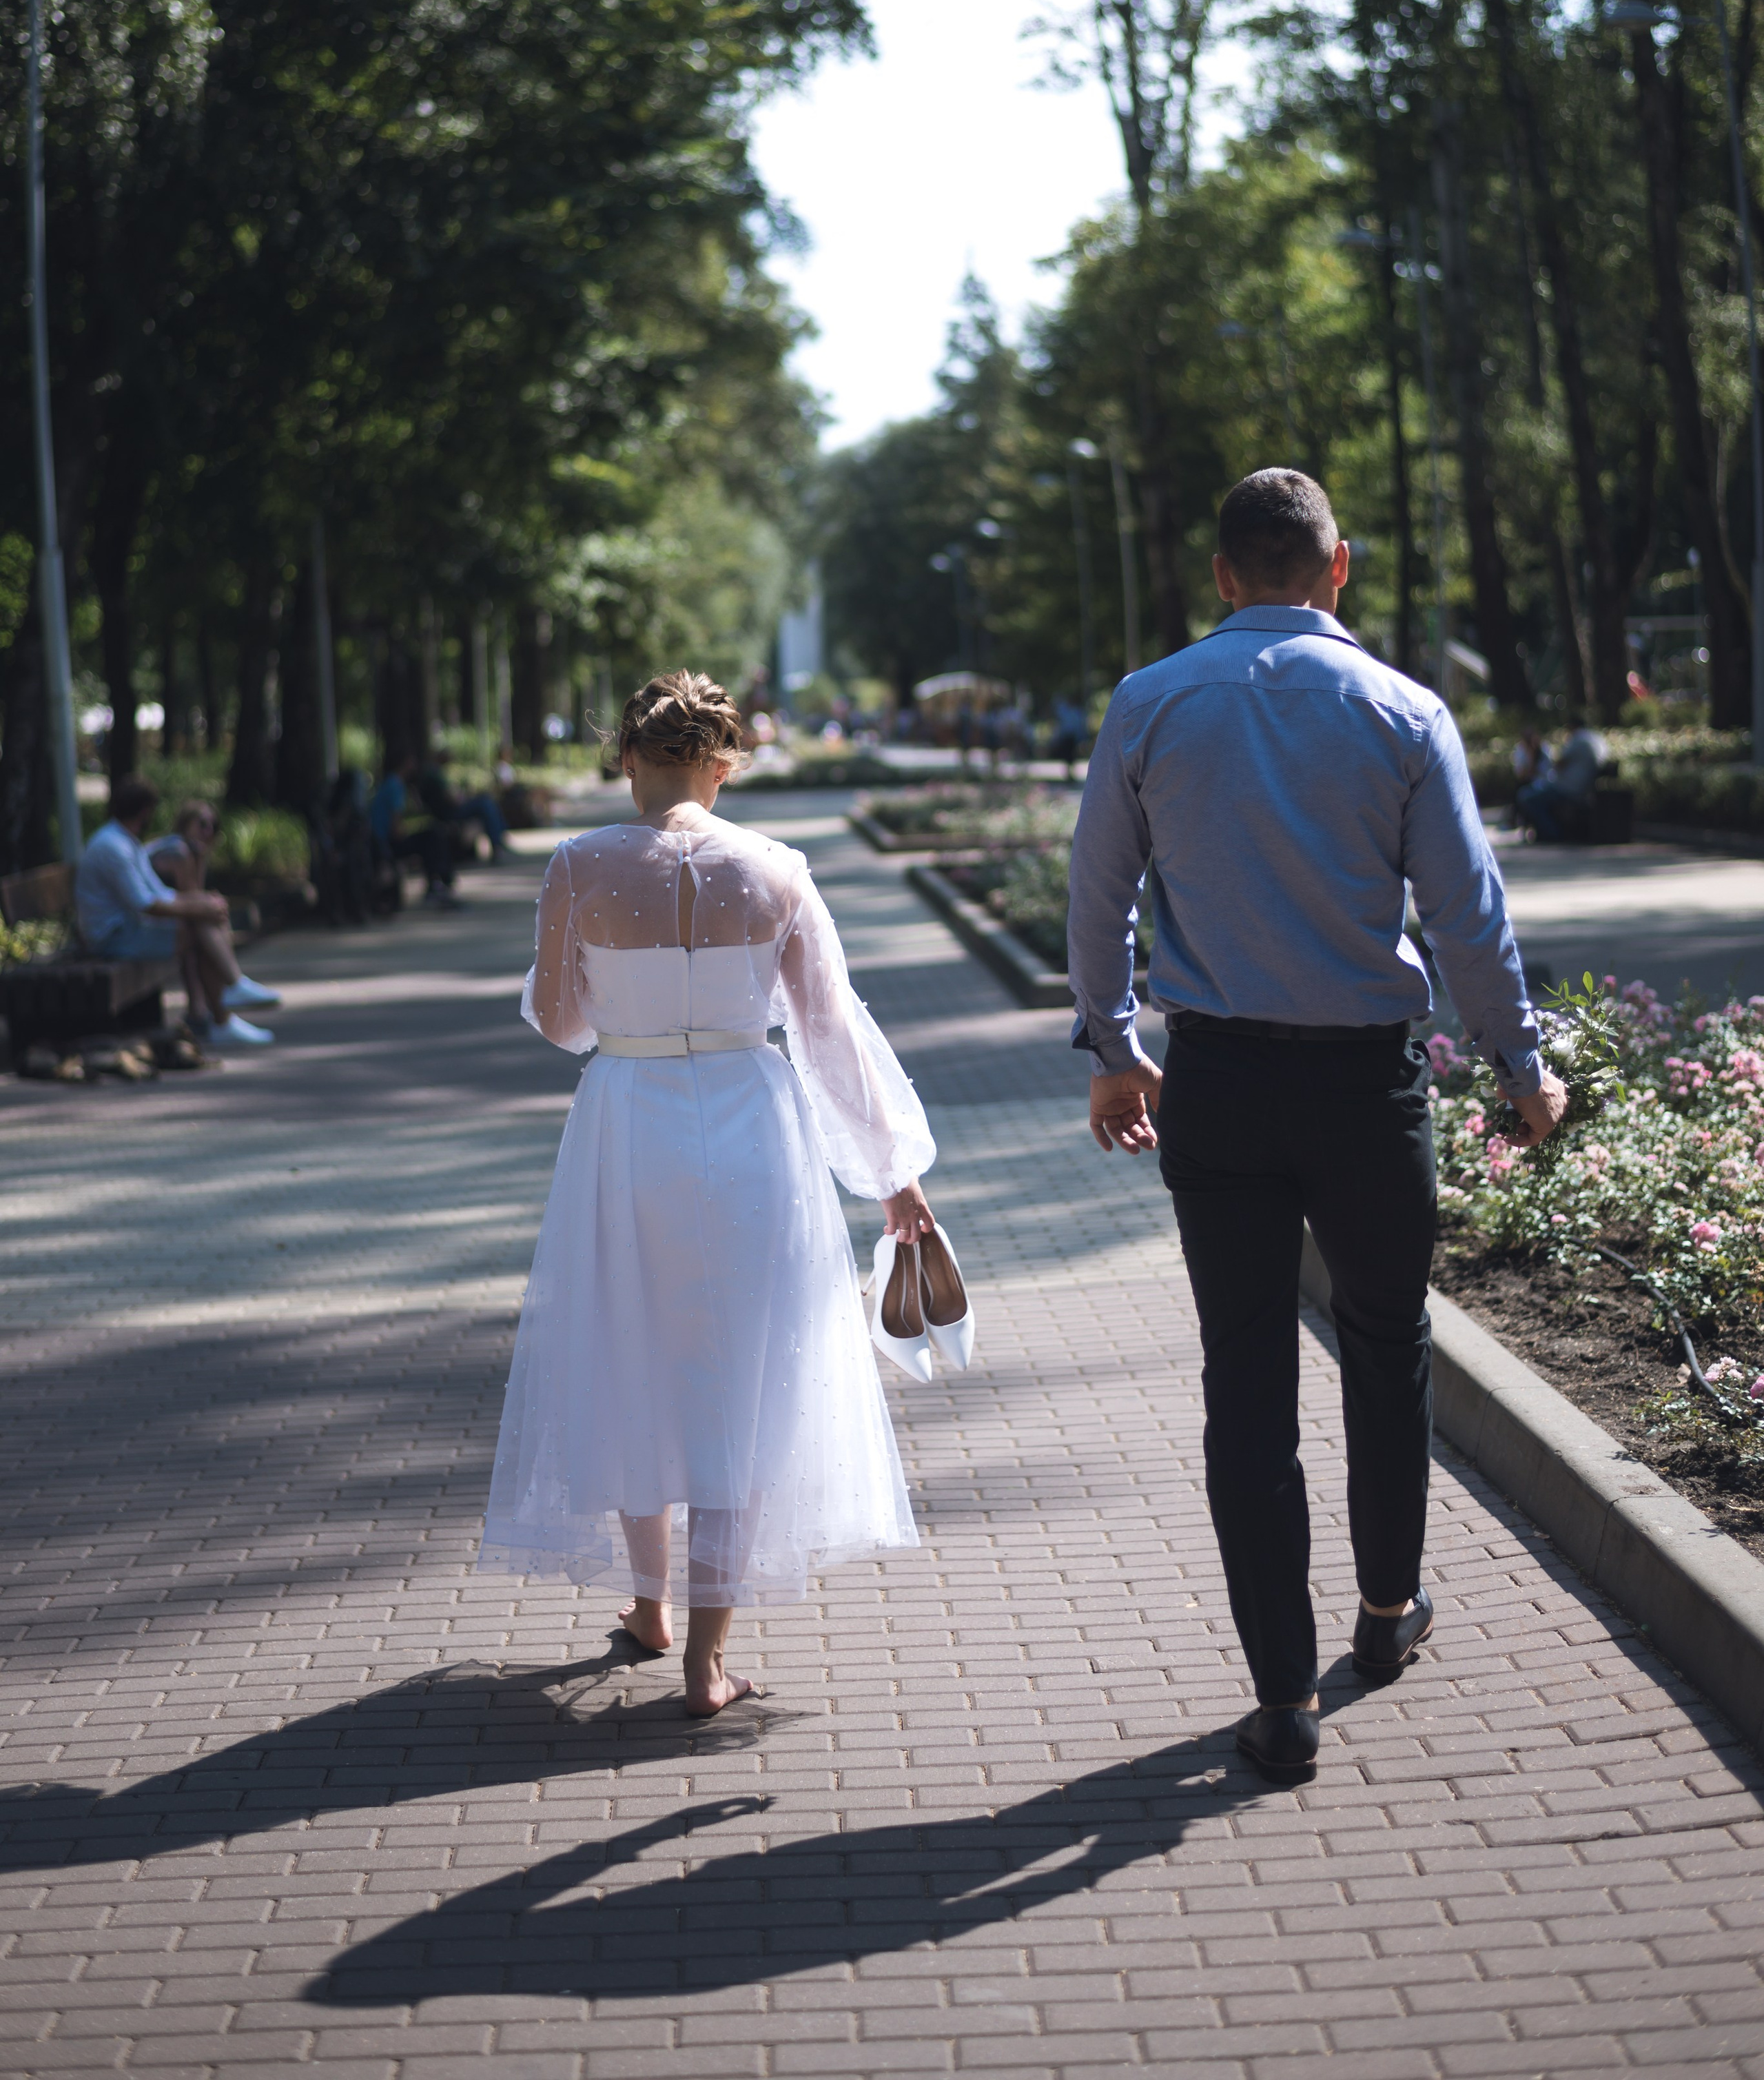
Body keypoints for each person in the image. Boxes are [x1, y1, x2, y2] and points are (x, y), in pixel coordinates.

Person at [1066, 469, 1568, 1784]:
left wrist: (1119, 1051)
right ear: (1336, 568)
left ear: (1223, 575)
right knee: (1386, 1344)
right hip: (1366, 1088)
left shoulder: (1150, 702)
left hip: (1217, 1084)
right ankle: (1389, 1615)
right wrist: (1522, 1064)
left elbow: (1100, 897)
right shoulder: (1404, 709)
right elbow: (1468, 913)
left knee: (1246, 1378)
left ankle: (1282, 1695)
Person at [483, 669, 950, 1716]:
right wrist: (894, 1177)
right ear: (724, 764)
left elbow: (561, 1020)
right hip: (752, 1119)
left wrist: (622, 1001)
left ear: (627, 760)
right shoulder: (778, 869)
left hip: (628, 1121)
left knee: (632, 1351)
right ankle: (704, 1660)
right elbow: (832, 1036)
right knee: (738, 1377)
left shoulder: (578, 865)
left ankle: (647, 1605)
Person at [74, 778, 276, 1048]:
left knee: (202, 916)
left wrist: (201, 902)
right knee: (195, 925)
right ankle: (227, 1001)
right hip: (111, 939)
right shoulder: (114, 847)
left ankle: (223, 1006)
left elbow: (159, 893)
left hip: (126, 930)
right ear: (145, 811)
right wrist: (197, 906)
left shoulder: (125, 841)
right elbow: (146, 904)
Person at [369, 756, 459, 906]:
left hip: (380, 842)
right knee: (434, 836)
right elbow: (396, 829)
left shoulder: (387, 783)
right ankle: (440, 883)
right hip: (385, 845)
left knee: (431, 834)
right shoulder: (395, 786)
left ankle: (438, 882)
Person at [1516, 720, 1609, 843]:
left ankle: (1551, 833)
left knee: (1527, 796)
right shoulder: (1596, 739)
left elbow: (1559, 763)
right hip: (1584, 788)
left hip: (1569, 789)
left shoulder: (1579, 739)